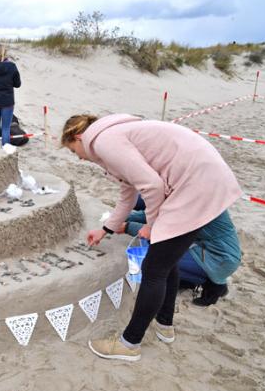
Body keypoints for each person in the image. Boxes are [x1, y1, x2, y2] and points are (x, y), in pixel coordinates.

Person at [61, 114, 241, 361]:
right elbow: (128, 191)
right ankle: (165, 325)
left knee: (153, 269)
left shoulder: (103, 141)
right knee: (166, 263)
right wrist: (106, 229)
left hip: (195, 185)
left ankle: (129, 343)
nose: (80, 158)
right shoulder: (112, 135)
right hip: (201, 179)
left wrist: (154, 225)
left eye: (74, 151)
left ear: (79, 137)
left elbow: (152, 186)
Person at [118, 196, 240, 306]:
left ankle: (209, 284)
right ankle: (210, 282)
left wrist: (126, 227)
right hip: (215, 252)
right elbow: (153, 216)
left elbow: (162, 232)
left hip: (219, 258)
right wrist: (119, 218)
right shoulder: (189, 193)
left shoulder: (192, 202)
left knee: (157, 263)